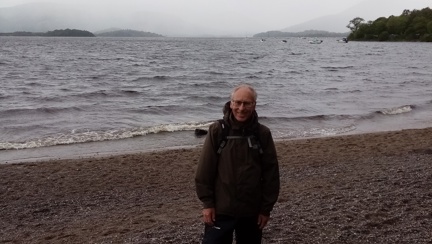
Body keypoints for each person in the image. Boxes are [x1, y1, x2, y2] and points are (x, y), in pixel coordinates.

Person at [195, 84, 280, 244]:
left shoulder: (262, 134)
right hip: (221, 210)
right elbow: (204, 172)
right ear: (231, 103)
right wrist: (207, 204)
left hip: (251, 211)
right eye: (238, 102)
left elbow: (271, 174)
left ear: (254, 105)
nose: (241, 108)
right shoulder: (217, 131)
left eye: (247, 103)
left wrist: (265, 209)